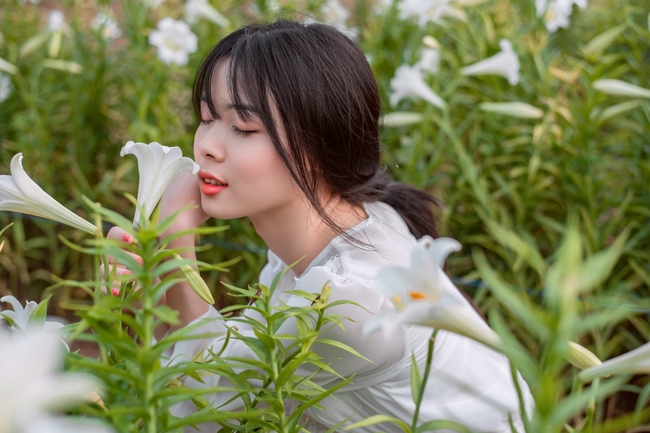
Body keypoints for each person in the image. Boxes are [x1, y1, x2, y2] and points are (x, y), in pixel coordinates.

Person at [107, 19, 533, 432]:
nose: (207, 148)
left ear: (319, 142)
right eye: (206, 118)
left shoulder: (352, 299)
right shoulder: (342, 234)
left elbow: (206, 408)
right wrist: (144, 286)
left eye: (243, 127)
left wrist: (174, 240)